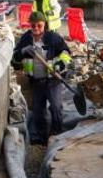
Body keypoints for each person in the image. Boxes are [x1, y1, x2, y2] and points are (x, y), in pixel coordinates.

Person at [12, 11, 73, 144]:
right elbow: (13, 60)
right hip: (36, 82)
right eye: (33, 26)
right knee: (38, 111)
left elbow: (66, 52)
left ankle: (56, 134)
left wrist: (60, 65)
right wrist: (22, 52)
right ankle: (41, 138)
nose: (36, 29)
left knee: (56, 108)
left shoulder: (53, 38)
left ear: (44, 24)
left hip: (53, 81)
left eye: (39, 25)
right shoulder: (26, 39)